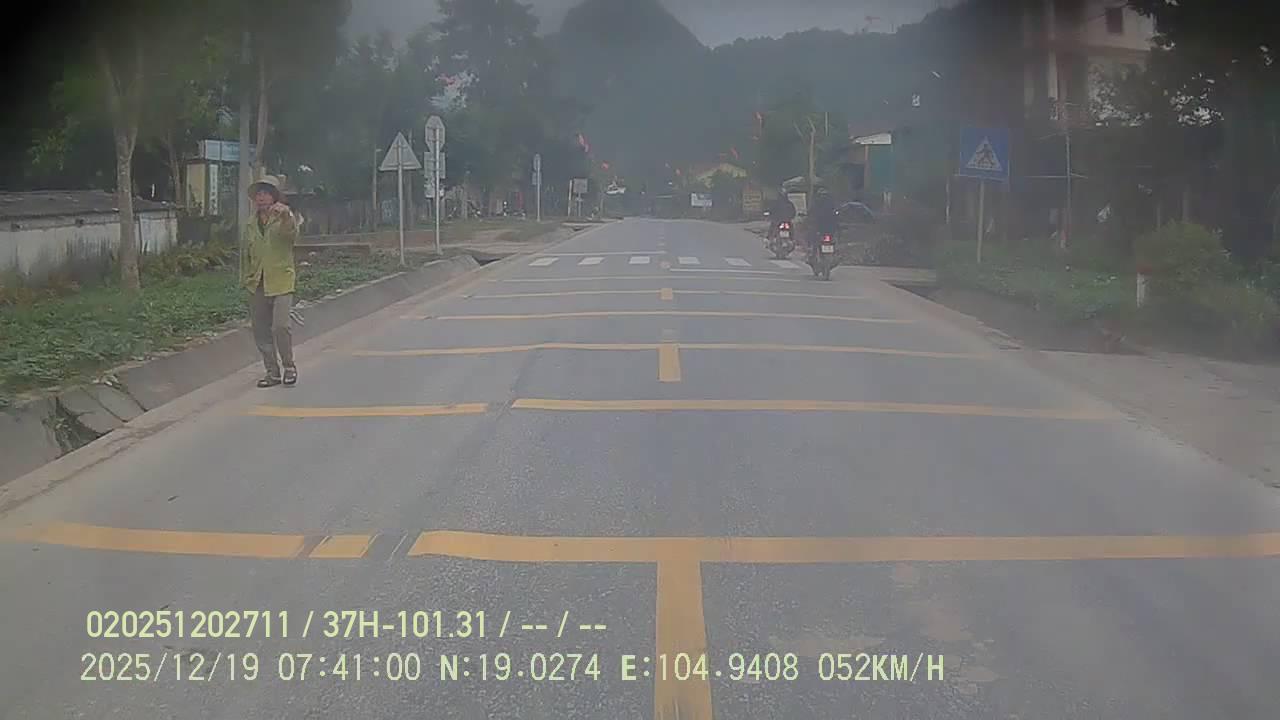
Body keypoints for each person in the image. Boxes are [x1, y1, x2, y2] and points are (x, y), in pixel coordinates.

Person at [242, 175, 300, 387]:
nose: (261, 198)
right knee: (260, 330)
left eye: (265, 193)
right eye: (258, 194)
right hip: (257, 282)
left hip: (281, 280)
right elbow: (246, 254)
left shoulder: (284, 218)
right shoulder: (250, 224)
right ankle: (272, 372)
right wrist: (245, 279)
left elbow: (291, 235)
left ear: (274, 196)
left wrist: (286, 216)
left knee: (281, 326)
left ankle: (289, 366)